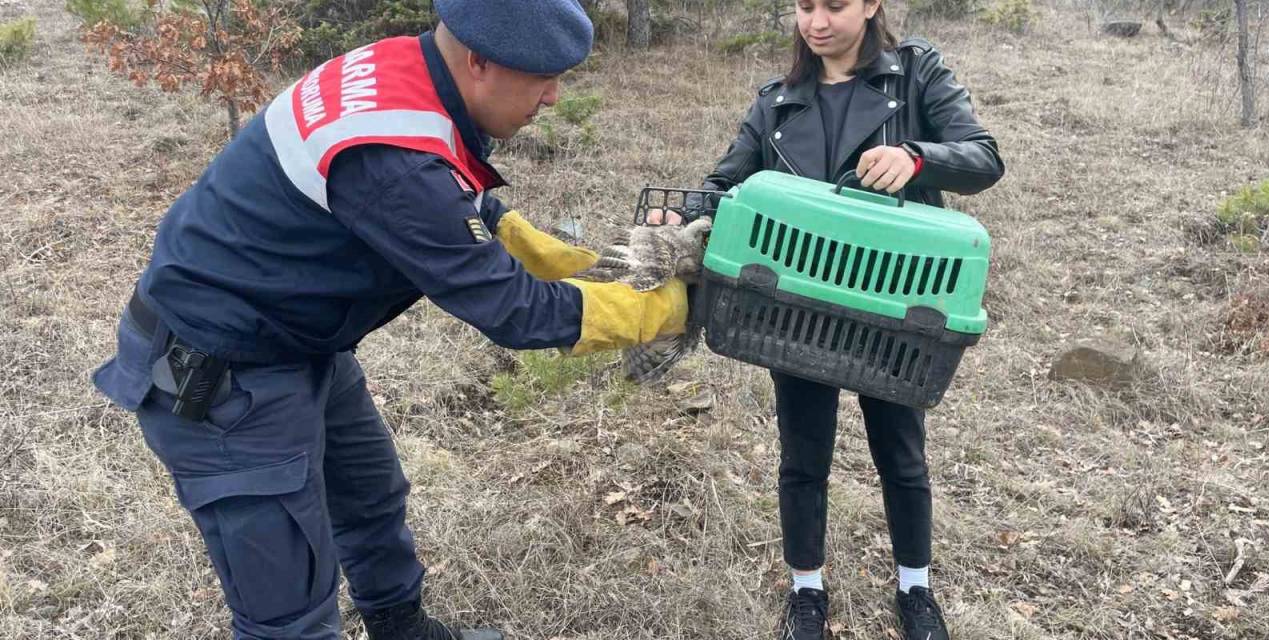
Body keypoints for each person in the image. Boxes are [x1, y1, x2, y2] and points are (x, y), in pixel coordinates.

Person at [91, 1, 690, 638]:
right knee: (289, 613)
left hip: (295, 336)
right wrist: (664, 310)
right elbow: (515, 312)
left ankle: (401, 628)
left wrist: (532, 245)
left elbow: (453, 188)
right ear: (480, 60)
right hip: (223, 375)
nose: (552, 96)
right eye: (541, 77)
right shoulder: (393, 163)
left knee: (370, 495)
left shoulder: (408, 65)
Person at [683, 1, 1004, 638]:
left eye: (834, 4)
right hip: (796, 306)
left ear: (871, 5)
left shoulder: (914, 75)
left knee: (901, 454)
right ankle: (807, 593)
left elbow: (983, 157)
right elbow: (724, 181)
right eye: (804, 5)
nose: (816, 20)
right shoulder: (777, 101)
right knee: (803, 455)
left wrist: (917, 157)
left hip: (897, 305)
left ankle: (916, 589)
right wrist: (685, 212)